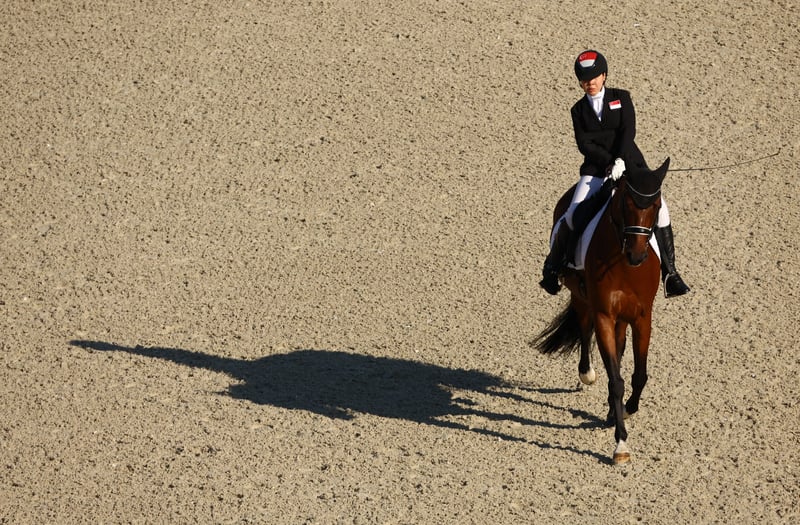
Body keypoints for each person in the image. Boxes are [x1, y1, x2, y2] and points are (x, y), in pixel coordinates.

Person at [539, 49, 690, 298]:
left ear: (604, 76)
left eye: (594, 77)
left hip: (631, 165)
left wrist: (620, 160)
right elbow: (584, 144)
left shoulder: (621, 98)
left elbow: (627, 131)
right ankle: (553, 268)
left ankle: (671, 273)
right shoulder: (577, 110)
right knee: (573, 214)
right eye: (585, 80)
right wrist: (609, 163)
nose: (590, 83)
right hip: (596, 171)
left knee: (661, 209)